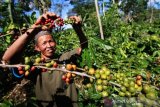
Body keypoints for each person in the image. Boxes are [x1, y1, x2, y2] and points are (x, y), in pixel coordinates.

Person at [2, 12, 88, 107]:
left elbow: (84, 49)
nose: (49, 45)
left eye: (51, 41)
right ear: (37, 48)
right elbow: (7, 59)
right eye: (44, 43)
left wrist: (78, 29)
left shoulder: (65, 58)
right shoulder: (35, 67)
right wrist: (33, 29)